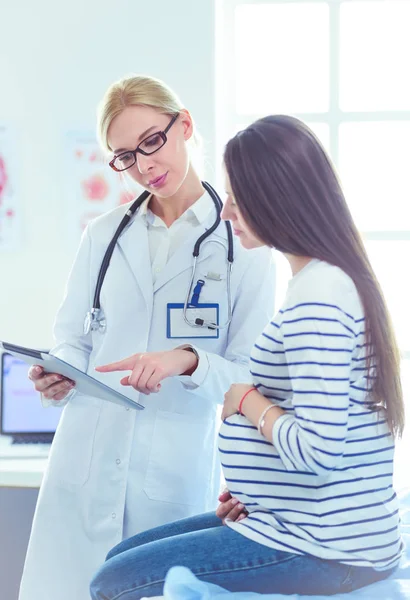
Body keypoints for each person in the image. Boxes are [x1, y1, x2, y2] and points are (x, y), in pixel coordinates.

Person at [90, 115, 405, 599]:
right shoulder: (324, 280)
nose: (228, 211)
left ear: (276, 197)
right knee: (116, 561)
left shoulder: (318, 298)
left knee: (113, 582)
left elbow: (319, 453)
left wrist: (247, 398)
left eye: (238, 198)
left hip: (327, 550)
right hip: (302, 524)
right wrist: (261, 495)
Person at [19, 76, 274, 600]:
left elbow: (252, 376)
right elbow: (72, 339)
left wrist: (188, 360)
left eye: (152, 142)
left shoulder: (245, 241)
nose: (143, 166)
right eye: (125, 156)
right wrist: (58, 374)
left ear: (184, 125)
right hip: (84, 467)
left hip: (175, 471)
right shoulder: (104, 234)